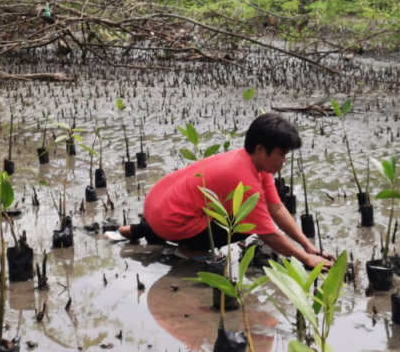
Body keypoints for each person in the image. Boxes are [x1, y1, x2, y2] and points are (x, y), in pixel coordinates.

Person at [117, 113, 333, 269]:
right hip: (171, 219)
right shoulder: (244, 179)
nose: (284, 161)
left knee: (209, 208)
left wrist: (307, 245)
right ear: (260, 149)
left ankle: (140, 230)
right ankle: (191, 250)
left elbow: (276, 207)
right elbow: (268, 232)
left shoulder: (252, 161)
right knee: (245, 225)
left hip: (159, 204)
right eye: (280, 154)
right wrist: (306, 259)